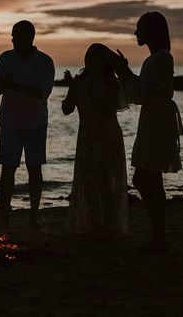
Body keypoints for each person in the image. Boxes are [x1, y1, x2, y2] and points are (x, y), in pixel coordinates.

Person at [107, 11, 183, 252]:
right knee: (150, 177)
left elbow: (142, 93)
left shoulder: (161, 59)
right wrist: (127, 72)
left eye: (139, 28)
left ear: (151, 31)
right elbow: (142, 89)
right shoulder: (156, 58)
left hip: (157, 120)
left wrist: (123, 71)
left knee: (144, 177)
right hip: (153, 118)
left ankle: (160, 236)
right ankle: (159, 236)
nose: (136, 33)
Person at [0, 20, 55, 229]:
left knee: (34, 170)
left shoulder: (44, 62)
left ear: (29, 38)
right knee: (7, 170)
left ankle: (33, 215)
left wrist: (14, 85)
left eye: (16, 36)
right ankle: (4, 215)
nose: (12, 40)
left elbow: (42, 93)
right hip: (9, 123)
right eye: (12, 36)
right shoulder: (6, 58)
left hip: (35, 123)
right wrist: (3, 85)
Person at [62, 43, 128, 236]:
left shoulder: (111, 83)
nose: (91, 62)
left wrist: (86, 92)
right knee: (88, 181)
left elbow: (108, 111)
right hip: (87, 137)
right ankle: (94, 223)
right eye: (89, 58)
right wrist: (72, 90)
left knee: (107, 182)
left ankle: (109, 225)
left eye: (96, 58)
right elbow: (67, 109)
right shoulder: (80, 82)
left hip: (108, 136)